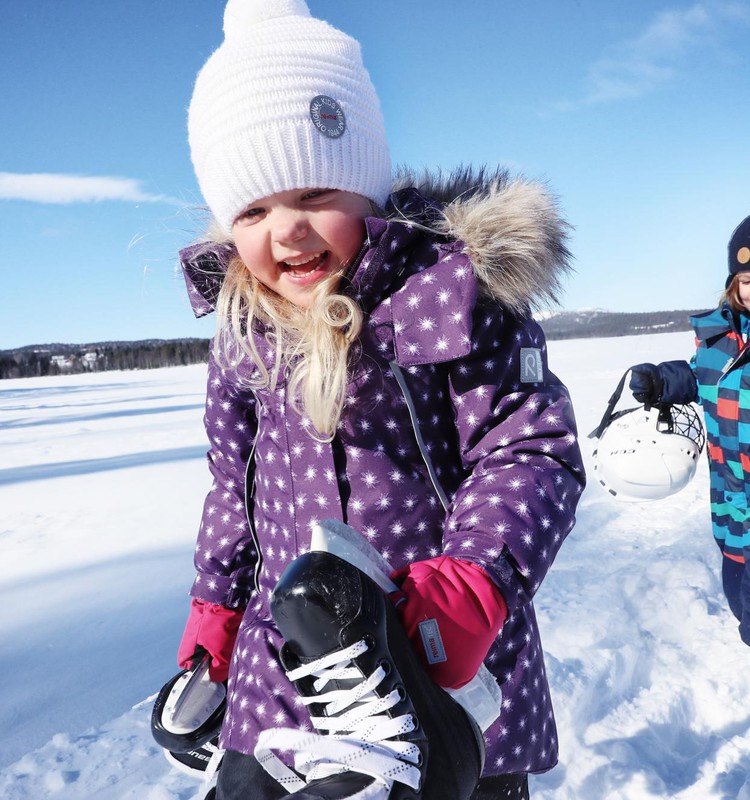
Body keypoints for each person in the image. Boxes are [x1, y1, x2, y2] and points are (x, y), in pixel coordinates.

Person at [175, 1, 585, 797]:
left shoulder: (450, 296)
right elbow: (236, 492)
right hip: (285, 692)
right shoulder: (243, 336)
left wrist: (473, 581)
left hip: (440, 677)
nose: (286, 232)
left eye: (314, 192)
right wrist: (215, 615)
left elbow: (528, 448)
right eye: (253, 210)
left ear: (366, 181)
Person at [628, 214, 750, 645]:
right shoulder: (716, 341)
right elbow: (701, 378)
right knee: (738, 600)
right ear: (733, 283)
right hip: (731, 511)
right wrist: (663, 382)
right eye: (748, 278)